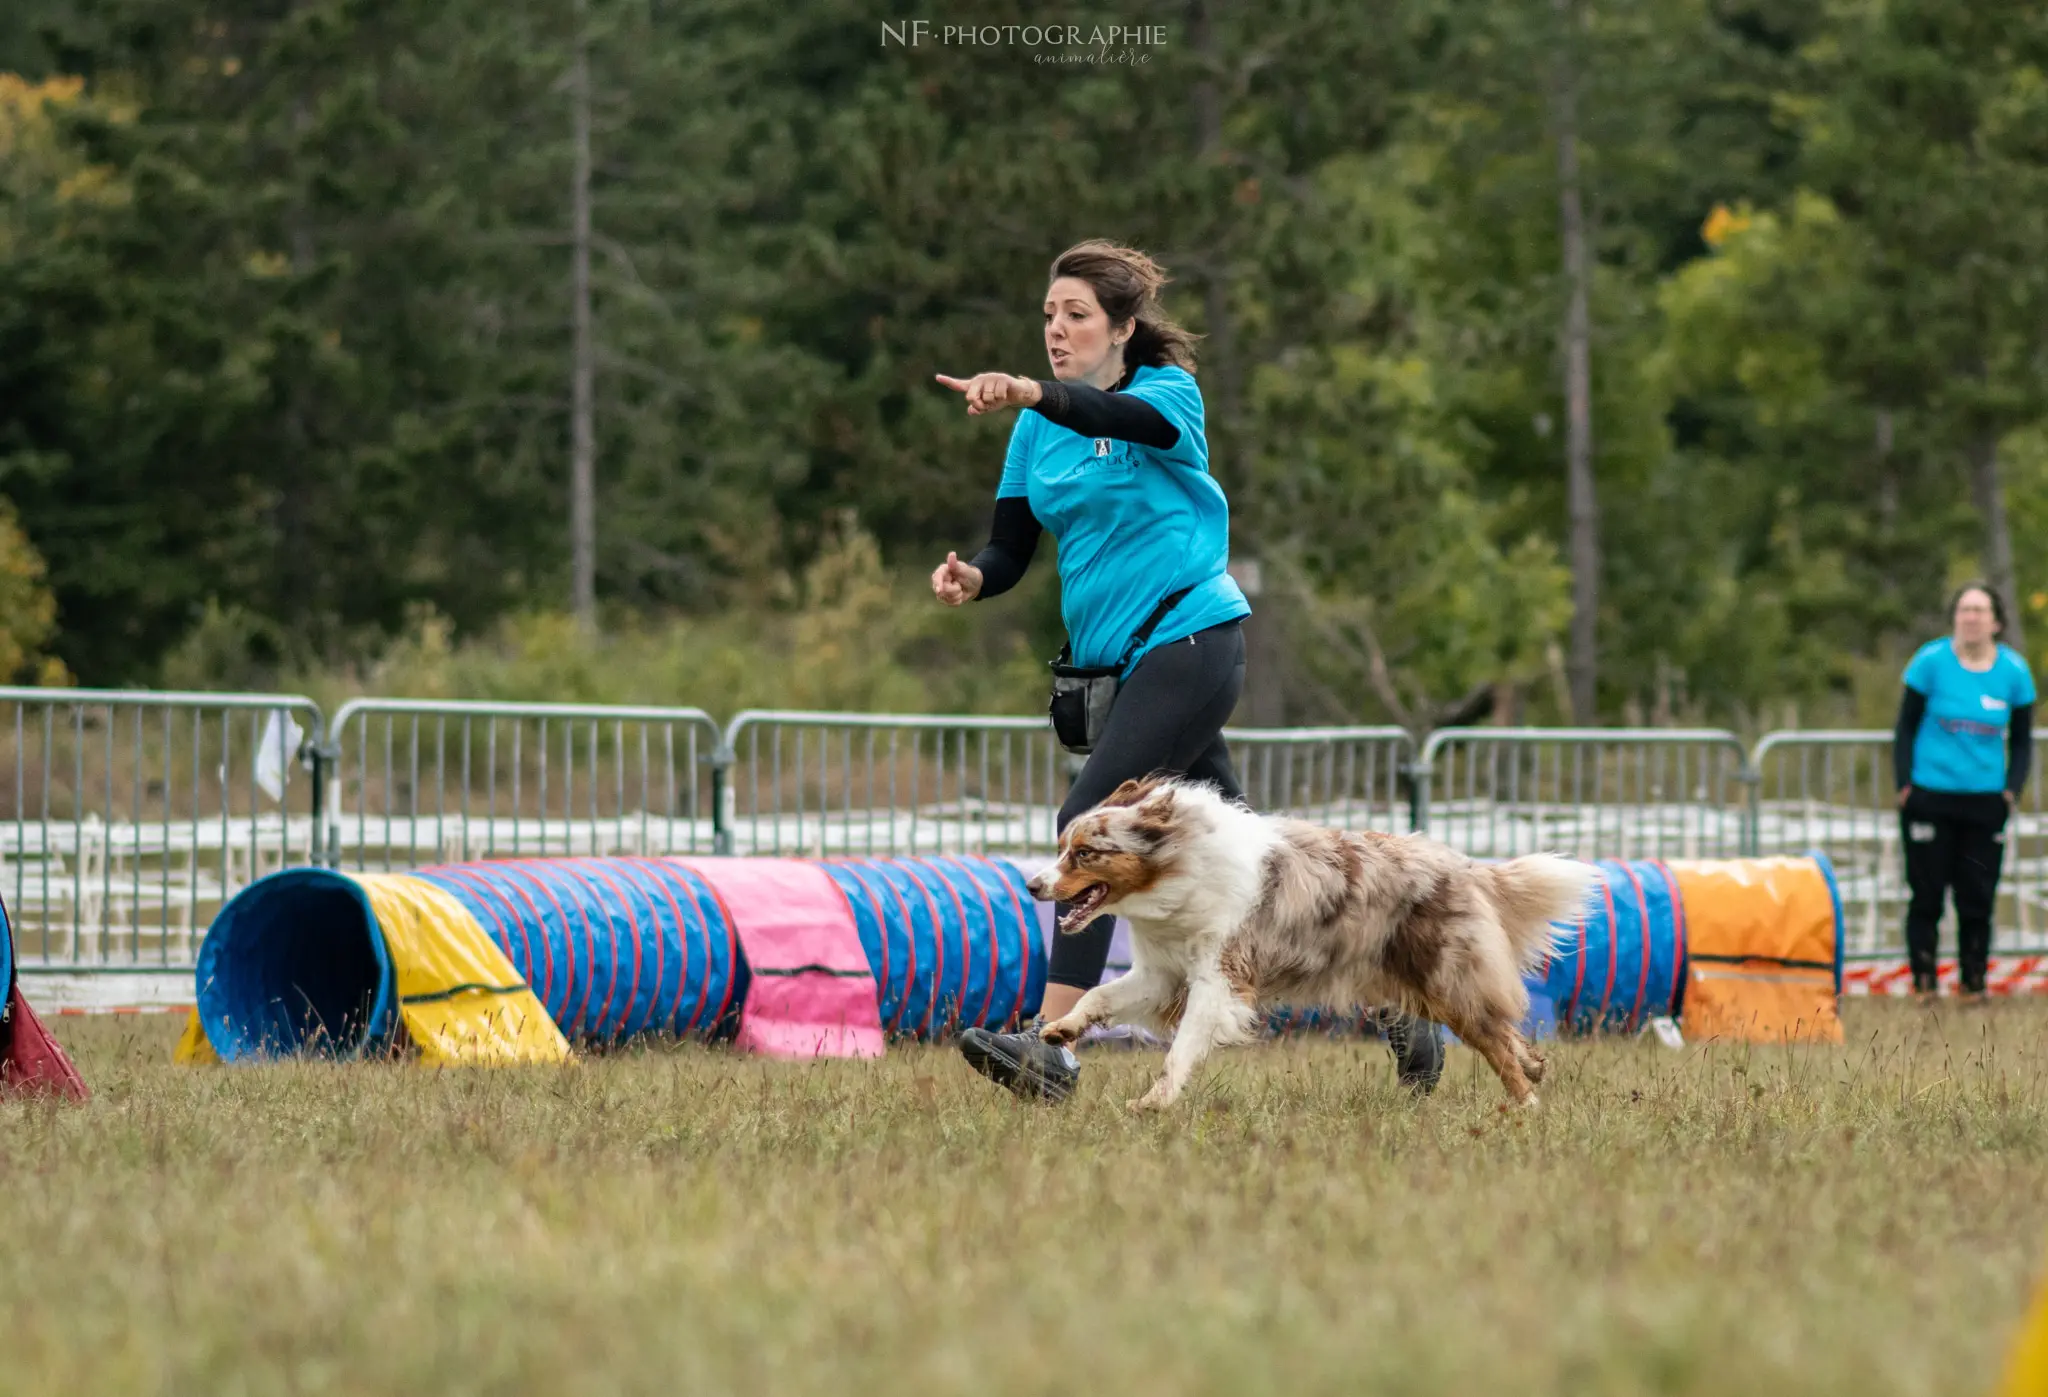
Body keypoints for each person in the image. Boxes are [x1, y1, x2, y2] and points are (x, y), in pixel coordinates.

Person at [928, 238, 1444, 1099]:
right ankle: (1397, 997)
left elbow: (1113, 419)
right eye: (1049, 316)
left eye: (1077, 315)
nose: (1056, 330)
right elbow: (1012, 547)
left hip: (1192, 639)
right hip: (1118, 665)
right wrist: (974, 577)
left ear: (1123, 327)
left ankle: (1053, 1048)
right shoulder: (1034, 431)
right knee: (1266, 868)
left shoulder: (1169, 395)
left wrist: (1033, 392)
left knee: (1090, 818)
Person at [1893, 581, 2035, 1002]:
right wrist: (1904, 784)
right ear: (1955, 617)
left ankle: (1973, 986)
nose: (1970, 617)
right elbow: (1905, 727)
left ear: (1995, 621)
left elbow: (2023, 740)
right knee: (1927, 895)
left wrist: (2012, 790)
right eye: (1964, 609)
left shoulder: (2013, 671)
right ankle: (1924, 984)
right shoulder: (1930, 662)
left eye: (1979, 610)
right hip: (1930, 796)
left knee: (1976, 897)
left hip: (1985, 800)